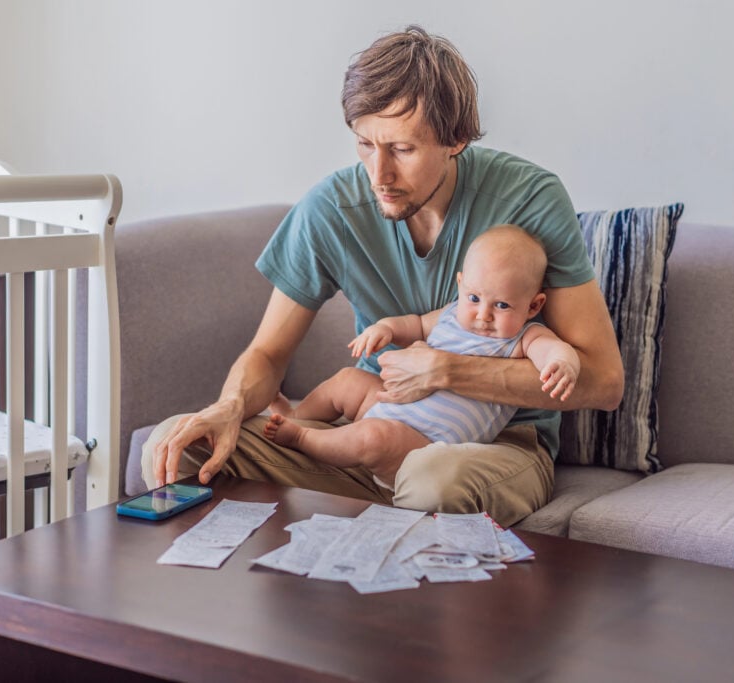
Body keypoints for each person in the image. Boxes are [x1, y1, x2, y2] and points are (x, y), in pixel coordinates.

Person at [143, 25, 623, 526]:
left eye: (403, 149)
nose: (379, 175)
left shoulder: (530, 199)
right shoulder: (331, 209)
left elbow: (603, 383)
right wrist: (230, 406)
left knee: (433, 478)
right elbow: (267, 353)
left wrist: (447, 370)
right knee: (179, 444)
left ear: (456, 139)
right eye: (365, 145)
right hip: (370, 429)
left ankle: (374, 539)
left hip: (493, 446)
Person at [262, 224, 581, 488]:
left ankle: (302, 438)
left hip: (422, 445)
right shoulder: (452, 314)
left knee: (374, 437)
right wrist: (385, 329)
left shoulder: (522, 338)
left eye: (501, 305)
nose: (483, 315)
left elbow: (552, 349)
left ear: (534, 306)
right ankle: (297, 417)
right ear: (460, 285)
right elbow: (414, 324)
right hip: (388, 404)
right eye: (474, 297)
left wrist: (562, 363)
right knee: (348, 381)